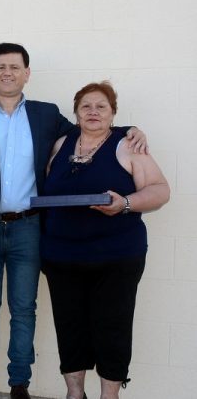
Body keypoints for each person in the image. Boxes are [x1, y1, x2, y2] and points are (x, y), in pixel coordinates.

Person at [0, 43, 148, 399]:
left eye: (14, 66)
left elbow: (92, 127)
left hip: (29, 228)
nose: (7, 72)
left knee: (24, 307)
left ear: (27, 73)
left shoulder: (46, 114)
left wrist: (131, 128)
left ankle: (18, 384)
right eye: (0, 67)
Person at [40, 82, 169, 399]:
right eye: (86, 106)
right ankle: (75, 393)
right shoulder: (60, 145)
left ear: (113, 113)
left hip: (116, 258)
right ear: (76, 113)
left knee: (112, 329)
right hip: (62, 257)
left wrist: (124, 203)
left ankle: (109, 395)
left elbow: (159, 190)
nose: (93, 111)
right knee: (70, 329)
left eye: (101, 106)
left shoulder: (127, 145)